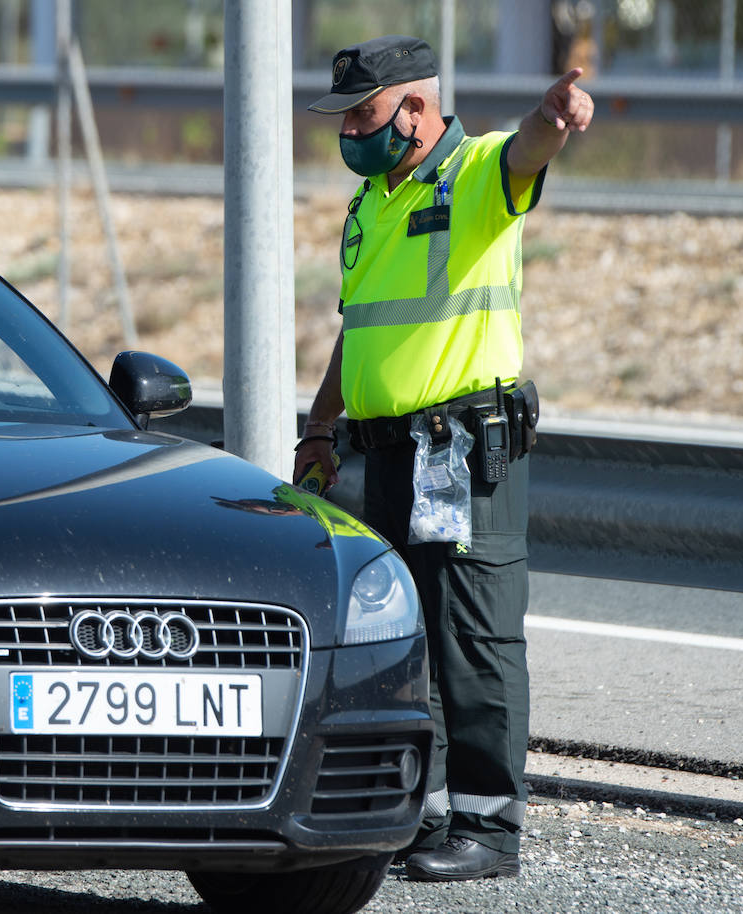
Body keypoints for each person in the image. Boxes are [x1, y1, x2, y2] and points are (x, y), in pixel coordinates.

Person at [293, 35, 593, 882]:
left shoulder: (476, 175)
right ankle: (422, 819)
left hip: (462, 447)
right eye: (345, 116)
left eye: (364, 113)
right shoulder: (368, 205)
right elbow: (360, 330)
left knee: (474, 635)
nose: (350, 131)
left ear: (415, 109)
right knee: (408, 639)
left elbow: (529, 150)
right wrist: (320, 428)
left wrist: (551, 118)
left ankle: (490, 830)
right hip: (386, 454)